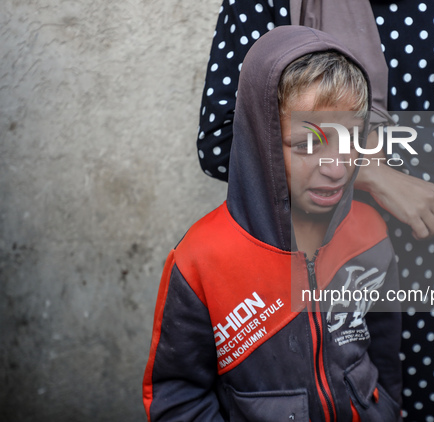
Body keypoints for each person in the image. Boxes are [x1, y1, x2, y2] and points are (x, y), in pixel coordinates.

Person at [196, 2, 434, 420]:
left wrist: (378, 149)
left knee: (416, 406)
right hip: (297, 267)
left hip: (420, 268)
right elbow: (222, 141)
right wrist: (366, 169)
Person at [143, 26, 403, 421]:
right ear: (259, 141)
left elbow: (384, 348)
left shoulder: (370, 232)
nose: (335, 168)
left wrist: (385, 408)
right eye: (306, 145)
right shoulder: (201, 260)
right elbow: (177, 396)